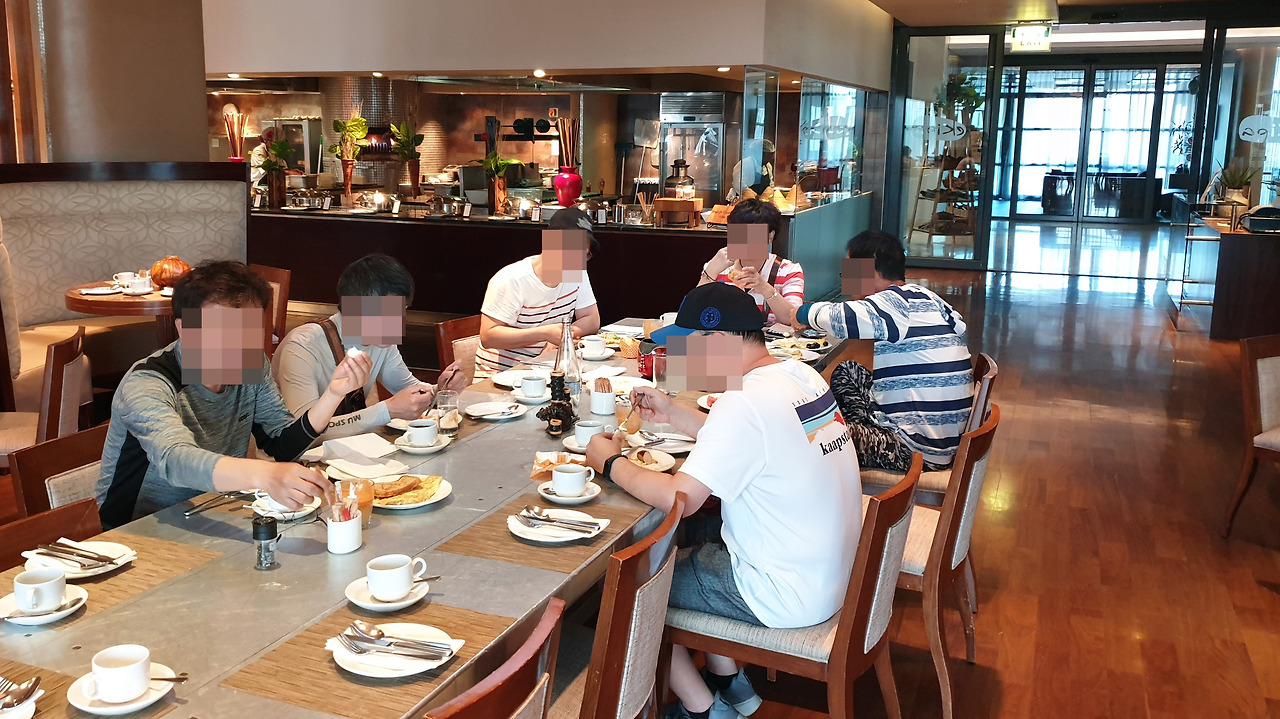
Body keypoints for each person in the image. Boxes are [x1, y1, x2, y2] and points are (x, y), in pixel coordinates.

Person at [586, 283, 862, 719]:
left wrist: (610, 462)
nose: (678, 360)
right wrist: (674, 413)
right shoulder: (797, 375)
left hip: (781, 592)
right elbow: (752, 440)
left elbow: (680, 499)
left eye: (683, 348)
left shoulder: (745, 403)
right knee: (691, 541)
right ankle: (731, 684)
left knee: (622, 587)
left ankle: (704, 709)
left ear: (714, 339)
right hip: (835, 573)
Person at [96, 261, 372, 529]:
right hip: (137, 530)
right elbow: (175, 460)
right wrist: (262, 474)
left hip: (212, 512)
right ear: (184, 329)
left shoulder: (250, 365)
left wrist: (334, 394)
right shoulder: (149, 381)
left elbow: (280, 444)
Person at [794, 229, 973, 471]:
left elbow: (835, 316)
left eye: (849, 271)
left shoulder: (891, 303)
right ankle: (861, 436)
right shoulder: (922, 296)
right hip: (937, 437)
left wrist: (798, 313)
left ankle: (847, 455)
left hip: (916, 449)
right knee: (847, 371)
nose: (846, 279)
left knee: (818, 434)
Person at [273, 253, 468, 440]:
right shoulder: (303, 347)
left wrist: (440, 390)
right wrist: (386, 410)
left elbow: (409, 388)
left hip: (349, 448)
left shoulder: (381, 342)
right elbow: (301, 434)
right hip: (292, 458)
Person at [474, 207, 602, 379]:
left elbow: (592, 319)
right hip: (502, 376)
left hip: (546, 370)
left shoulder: (576, 272)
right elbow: (488, 337)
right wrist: (545, 333)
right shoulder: (513, 279)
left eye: (583, 253)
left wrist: (562, 336)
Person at [697, 199, 803, 326]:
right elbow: (694, 311)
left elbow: (794, 320)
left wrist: (763, 287)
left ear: (770, 236)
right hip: (725, 337)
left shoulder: (789, 271)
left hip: (767, 338)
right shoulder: (718, 266)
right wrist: (710, 272)